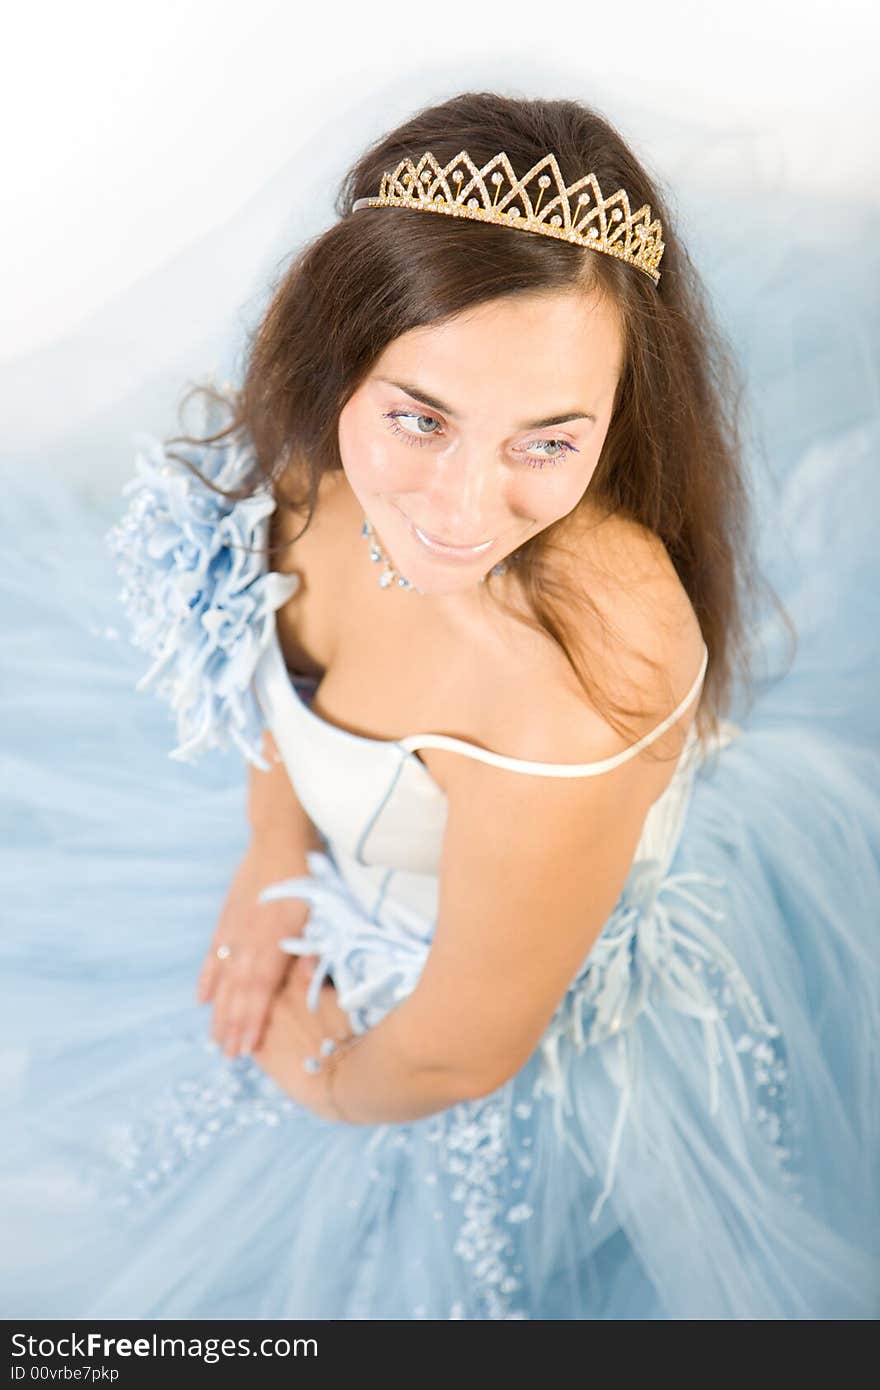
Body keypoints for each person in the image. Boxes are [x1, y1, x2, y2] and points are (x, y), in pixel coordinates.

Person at [1, 90, 878, 1321]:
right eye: (421, 416)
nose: (462, 510)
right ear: (338, 364)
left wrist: (320, 1072)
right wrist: (271, 844)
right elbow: (254, 654)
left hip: (490, 1013)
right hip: (362, 884)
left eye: (547, 441)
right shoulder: (309, 461)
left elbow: (466, 1047)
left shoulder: (570, 691)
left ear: (618, 418)